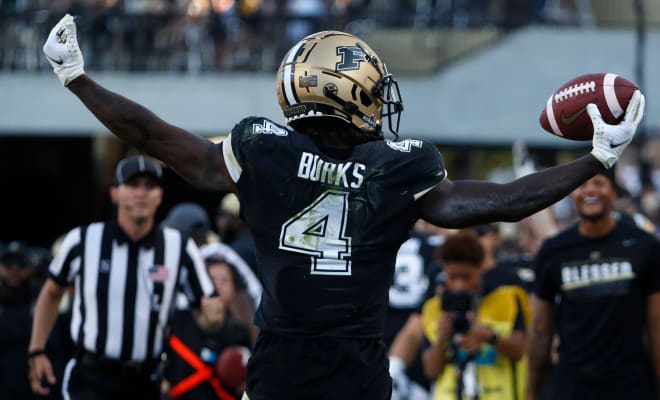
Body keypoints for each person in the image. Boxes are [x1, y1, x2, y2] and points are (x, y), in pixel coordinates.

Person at [42, 14, 645, 399]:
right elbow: (500, 202)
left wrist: (79, 80)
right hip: (355, 380)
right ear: (345, 91)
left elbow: (153, 134)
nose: (382, 104)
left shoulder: (265, 150)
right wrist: (594, 160)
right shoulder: (396, 166)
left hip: (277, 376)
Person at [28, 155, 226, 399]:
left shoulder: (179, 247)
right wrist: (36, 350)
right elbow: (51, 293)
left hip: (145, 381)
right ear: (114, 193)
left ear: (160, 196)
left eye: (150, 186)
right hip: (91, 376)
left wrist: (213, 317)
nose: (141, 192)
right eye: (133, 185)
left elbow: (206, 311)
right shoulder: (83, 240)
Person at [527, 170, 660, 400]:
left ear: (613, 191)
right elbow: (540, 330)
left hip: (630, 385)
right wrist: (532, 392)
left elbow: (657, 327)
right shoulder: (553, 251)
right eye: (581, 184)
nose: (590, 190)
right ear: (571, 194)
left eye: (598, 183)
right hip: (572, 386)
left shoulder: (644, 245)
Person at [421, 230, 531, 400]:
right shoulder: (433, 308)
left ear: (480, 268)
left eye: (466, 277)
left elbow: (519, 351)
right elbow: (431, 371)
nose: (459, 286)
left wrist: (487, 336)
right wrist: (442, 340)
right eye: (453, 277)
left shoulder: (508, 299)